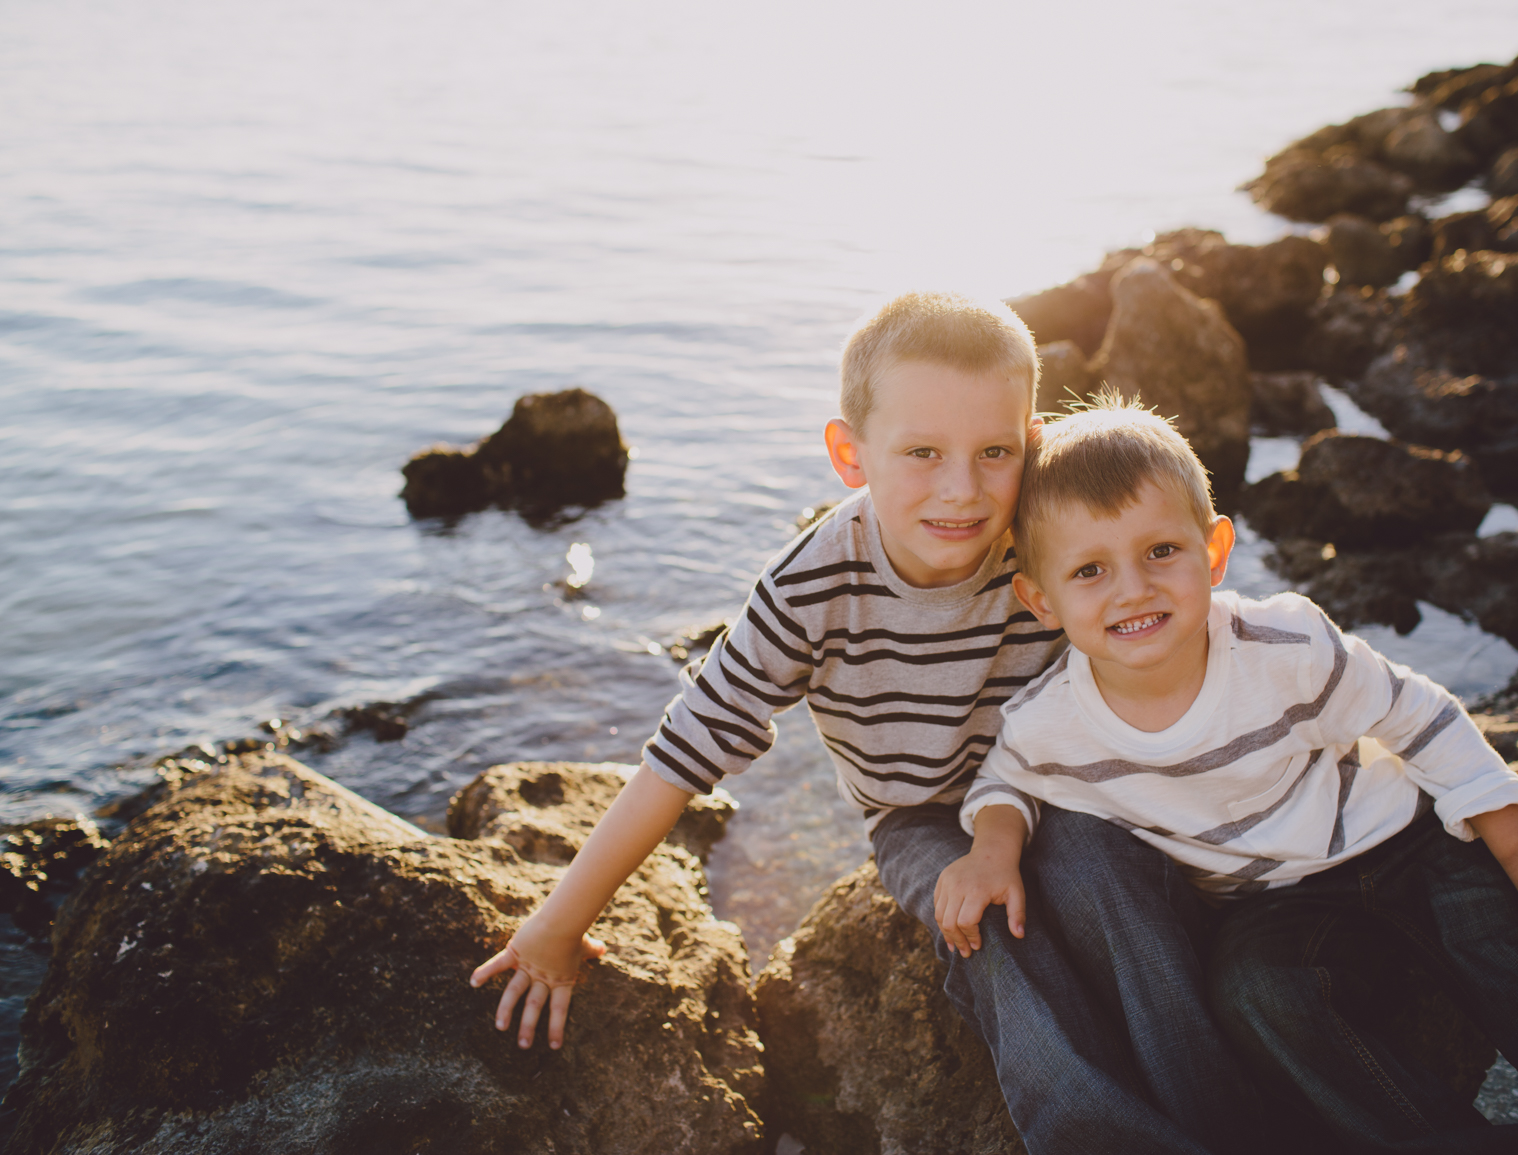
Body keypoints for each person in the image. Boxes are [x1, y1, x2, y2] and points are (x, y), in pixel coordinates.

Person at [471, 292, 1266, 1155]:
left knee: (1118, 887)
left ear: (1031, 444)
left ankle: (1228, 1125)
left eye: (994, 452)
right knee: (989, 929)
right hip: (921, 813)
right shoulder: (811, 587)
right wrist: (557, 925)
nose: (962, 489)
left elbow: (1173, 605)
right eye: (922, 452)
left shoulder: (1046, 542)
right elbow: (686, 750)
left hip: (1066, 786)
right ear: (850, 453)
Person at [943, 395, 1518, 1153]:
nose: (1134, 588)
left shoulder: (1283, 645)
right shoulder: (1053, 721)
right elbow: (1005, 783)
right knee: (1257, 996)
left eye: (1161, 551)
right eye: (1090, 570)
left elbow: (1418, 714)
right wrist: (992, 851)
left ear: (1213, 552)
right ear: (1040, 599)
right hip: (1275, 906)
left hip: (1408, 844)